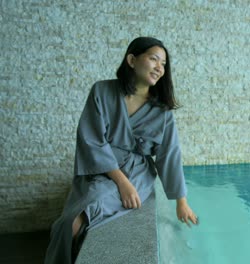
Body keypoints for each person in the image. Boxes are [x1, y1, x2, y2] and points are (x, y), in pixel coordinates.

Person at [44, 37, 198, 264]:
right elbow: (91, 139)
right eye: (154, 59)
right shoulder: (102, 91)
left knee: (77, 221)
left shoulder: (162, 111)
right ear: (132, 60)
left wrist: (181, 202)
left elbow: (169, 154)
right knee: (68, 224)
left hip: (136, 172)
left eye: (163, 64)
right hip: (100, 169)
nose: (159, 68)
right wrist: (121, 182)